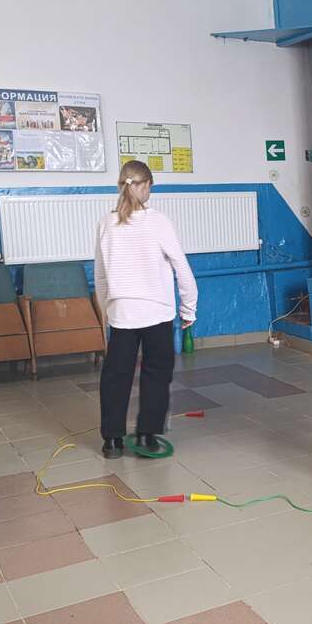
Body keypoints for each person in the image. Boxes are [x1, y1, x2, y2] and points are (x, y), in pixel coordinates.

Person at [94, 159, 196, 458]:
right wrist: (188, 309)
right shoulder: (159, 221)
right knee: (156, 374)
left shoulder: (106, 223)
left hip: (122, 313)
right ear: (147, 185)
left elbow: (100, 275)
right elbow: (182, 268)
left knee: (116, 377)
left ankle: (112, 441)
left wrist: (106, 311)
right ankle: (146, 436)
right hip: (157, 312)